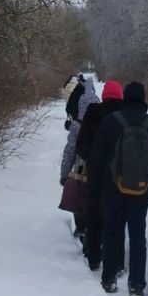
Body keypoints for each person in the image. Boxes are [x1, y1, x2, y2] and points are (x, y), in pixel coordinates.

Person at [87, 80, 148, 296]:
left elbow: (96, 159)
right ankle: (136, 286)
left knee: (111, 232)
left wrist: (93, 190)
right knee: (137, 237)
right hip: (141, 192)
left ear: (125, 98)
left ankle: (109, 278)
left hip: (111, 189)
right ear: (143, 99)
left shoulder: (110, 122)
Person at [74, 80, 125, 272]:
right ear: (120, 95)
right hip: (120, 175)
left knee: (94, 214)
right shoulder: (125, 115)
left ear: (104, 95)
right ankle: (118, 262)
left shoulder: (93, 113)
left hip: (94, 172)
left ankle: (94, 256)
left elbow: (80, 145)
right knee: (116, 218)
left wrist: (92, 159)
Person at [60, 77, 98, 240]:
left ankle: (81, 227)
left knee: (79, 195)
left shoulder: (76, 125)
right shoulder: (104, 122)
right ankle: (92, 227)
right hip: (98, 167)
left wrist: (64, 173)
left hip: (80, 167)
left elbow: (70, 150)